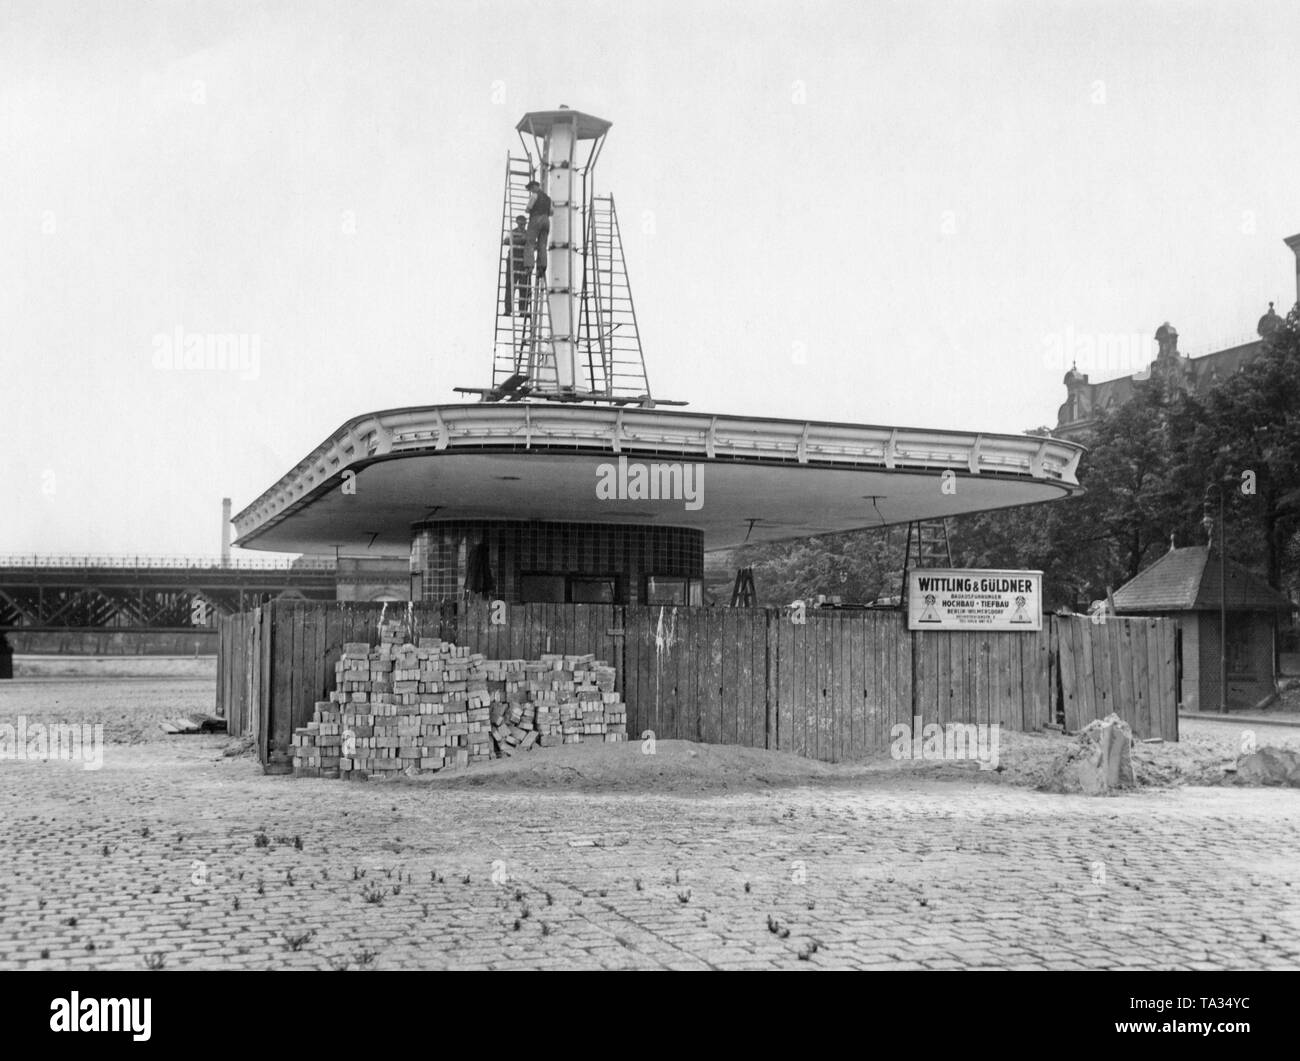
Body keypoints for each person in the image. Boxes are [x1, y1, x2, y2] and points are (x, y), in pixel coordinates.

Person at [502, 214, 530, 315]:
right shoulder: (512, 232)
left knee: (524, 288)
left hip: (524, 263)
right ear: (517, 223)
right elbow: (505, 241)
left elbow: (533, 244)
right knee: (510, 286)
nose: (522, 226)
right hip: (512, 262)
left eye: (524, 224)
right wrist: (520, 240)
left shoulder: (528, 234)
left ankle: (523, 311)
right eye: (521, 224)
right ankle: (508, 309)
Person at [525, 179, 552, 278]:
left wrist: (529, 210)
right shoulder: (548, 198)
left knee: (530, 242)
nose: (531, 190)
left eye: (531, 188)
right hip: (546, 221)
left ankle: (529, 266)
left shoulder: (534, 195)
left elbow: (528, 209)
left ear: (534, 187)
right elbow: (551, 212)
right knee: (542, 245)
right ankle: (542, 267)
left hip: (536, 219)